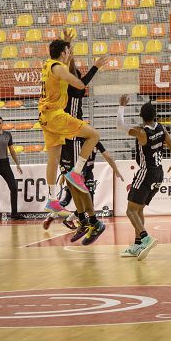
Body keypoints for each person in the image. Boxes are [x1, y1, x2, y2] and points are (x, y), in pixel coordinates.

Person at [38, 39, 106, 245]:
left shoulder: (48, 65)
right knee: (94, 136)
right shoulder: (61, 71)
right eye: (68, 52)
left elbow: (68, 70)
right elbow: (81, 82)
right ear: (63, 53)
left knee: (54, 161)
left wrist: (70, 53)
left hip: (45, 117)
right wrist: (96, 66)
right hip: (59, 119)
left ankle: (53, 200)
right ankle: (87, 219)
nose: (70, 55)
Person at [116, 95, 171, 259]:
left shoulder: (141, 132)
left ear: (141, 117)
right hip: (159, 173)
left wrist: (122, 106)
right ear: (155, 116)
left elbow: (119, 125)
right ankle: (137, 244)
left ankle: (146, 238)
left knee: (130, 211)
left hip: (146, 173)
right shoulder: (161, 129)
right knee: (139, 209)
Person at [49, 140, 125, 239]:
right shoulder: (82, 140)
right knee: (70, 199)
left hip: (82, 172)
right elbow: (108, 158)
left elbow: (108, 157)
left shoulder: (87, 141)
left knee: (85, 201)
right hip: (78, 172)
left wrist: (116, 171)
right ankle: (59, 215)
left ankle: (80, 221)